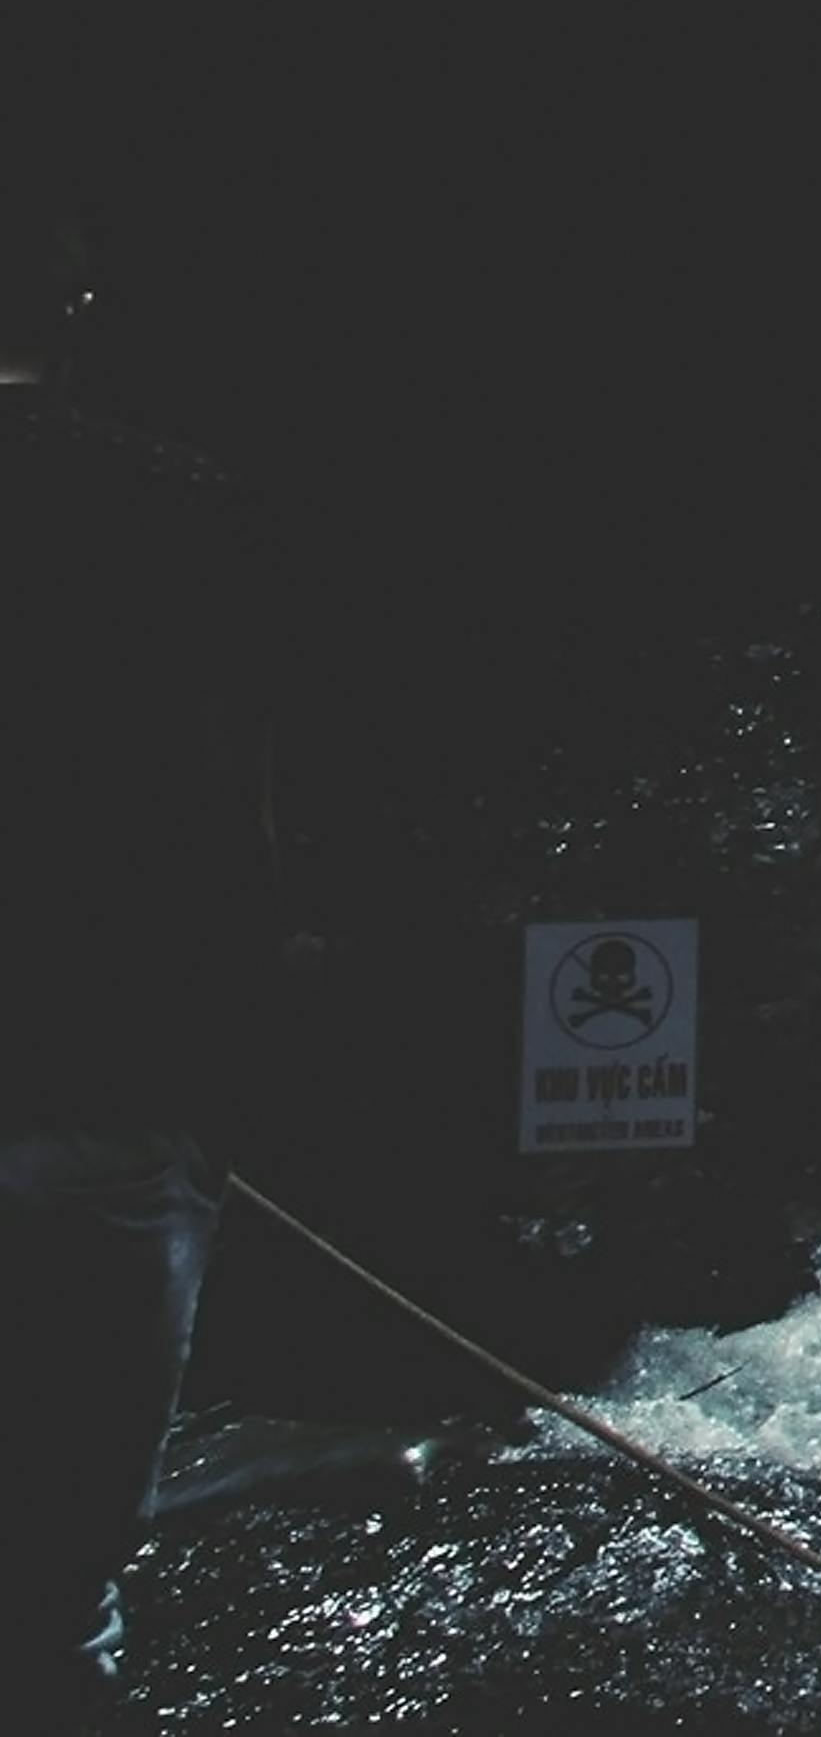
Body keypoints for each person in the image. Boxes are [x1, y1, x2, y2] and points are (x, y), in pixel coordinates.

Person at [0, 185, 270, 1732]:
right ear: (76, 314)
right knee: (58, 1587)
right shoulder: (184, 512)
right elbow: (227, 832)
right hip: (112, 1089)